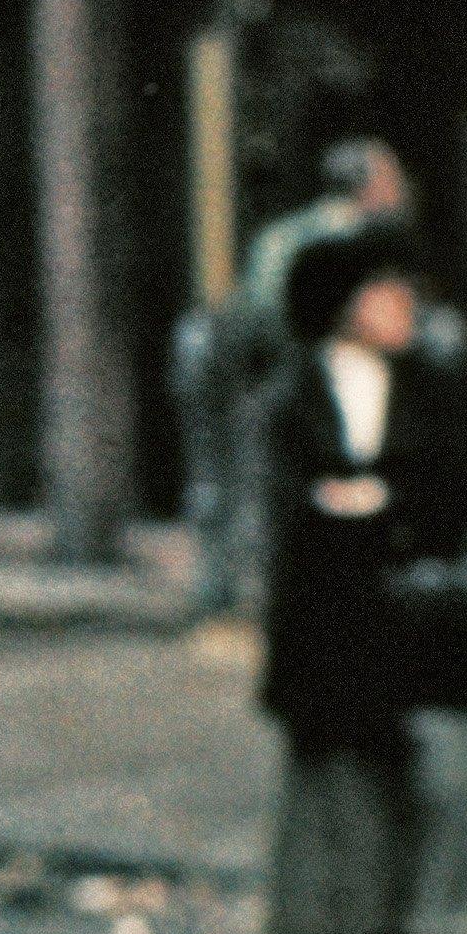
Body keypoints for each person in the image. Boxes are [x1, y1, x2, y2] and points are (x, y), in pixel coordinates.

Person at [260, 226, 467, 934]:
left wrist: (378, 505)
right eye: (382, 291)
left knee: (441, 776)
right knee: (352, 789)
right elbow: (286, 511)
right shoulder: (292, 397)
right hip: (336, 621)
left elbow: (461, 489)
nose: (403, 306)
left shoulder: (439, 388)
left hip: (421, 616)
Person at [187, 135, 413, 613]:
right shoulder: (334, 241)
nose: (401, 191)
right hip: (257, 374)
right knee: (256, 482)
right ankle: (239, 590)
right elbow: (278, 318)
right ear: (368, 187)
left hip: (260, 370)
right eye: (391, 179)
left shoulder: (309, 232)